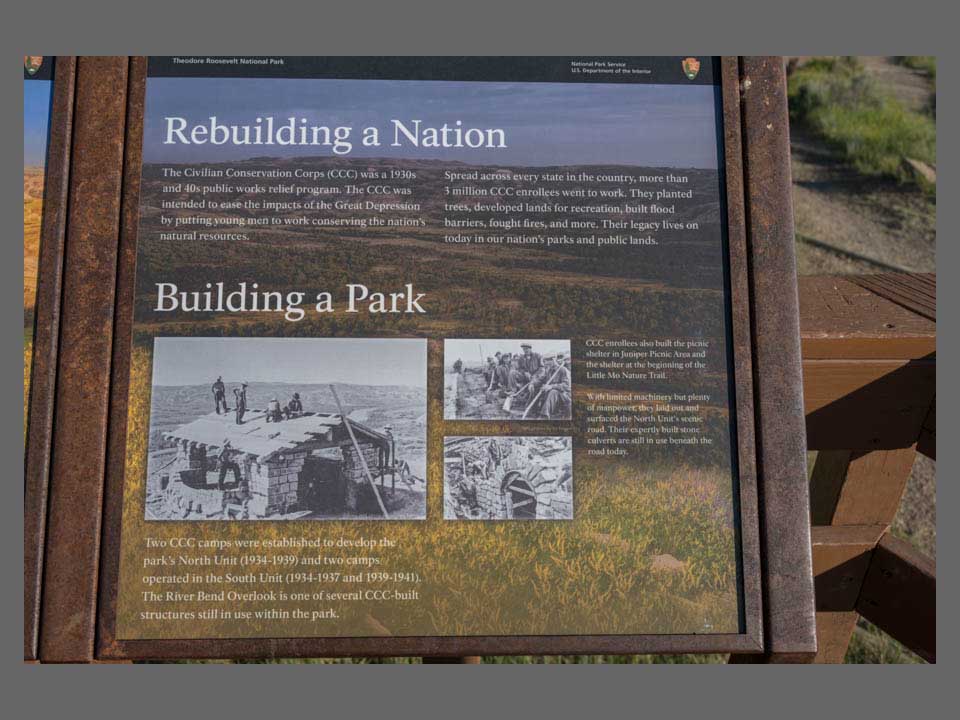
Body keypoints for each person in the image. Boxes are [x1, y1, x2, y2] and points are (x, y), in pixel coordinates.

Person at [538, 354, 572, 419]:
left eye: (547, 361)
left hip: (565, 395)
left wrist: (551, 386)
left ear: (553, 360)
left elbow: (567, 386)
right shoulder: (549, 371)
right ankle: (534, 411)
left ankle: (544, 416)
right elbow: (541, 380)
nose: (546, 364)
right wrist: (533, 383)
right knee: (541, 389)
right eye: (545, 362)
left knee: (553, 392)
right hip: (554, 398)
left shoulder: (563, 370)